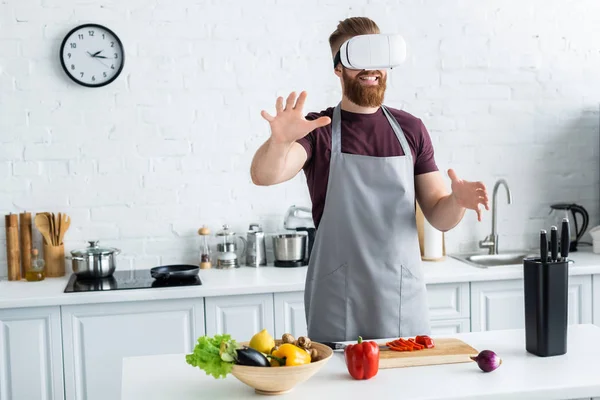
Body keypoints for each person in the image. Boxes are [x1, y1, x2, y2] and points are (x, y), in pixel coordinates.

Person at [250, 17, 489, 342]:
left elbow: (438, 214)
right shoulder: (317, 128)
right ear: (338, 68)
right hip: (337, 298)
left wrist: (457, 202)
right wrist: (279, 142)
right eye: (356, 58)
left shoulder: (411, 129)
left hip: (401, 295)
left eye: (375, 56)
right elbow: (265, 175)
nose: (368, 68)